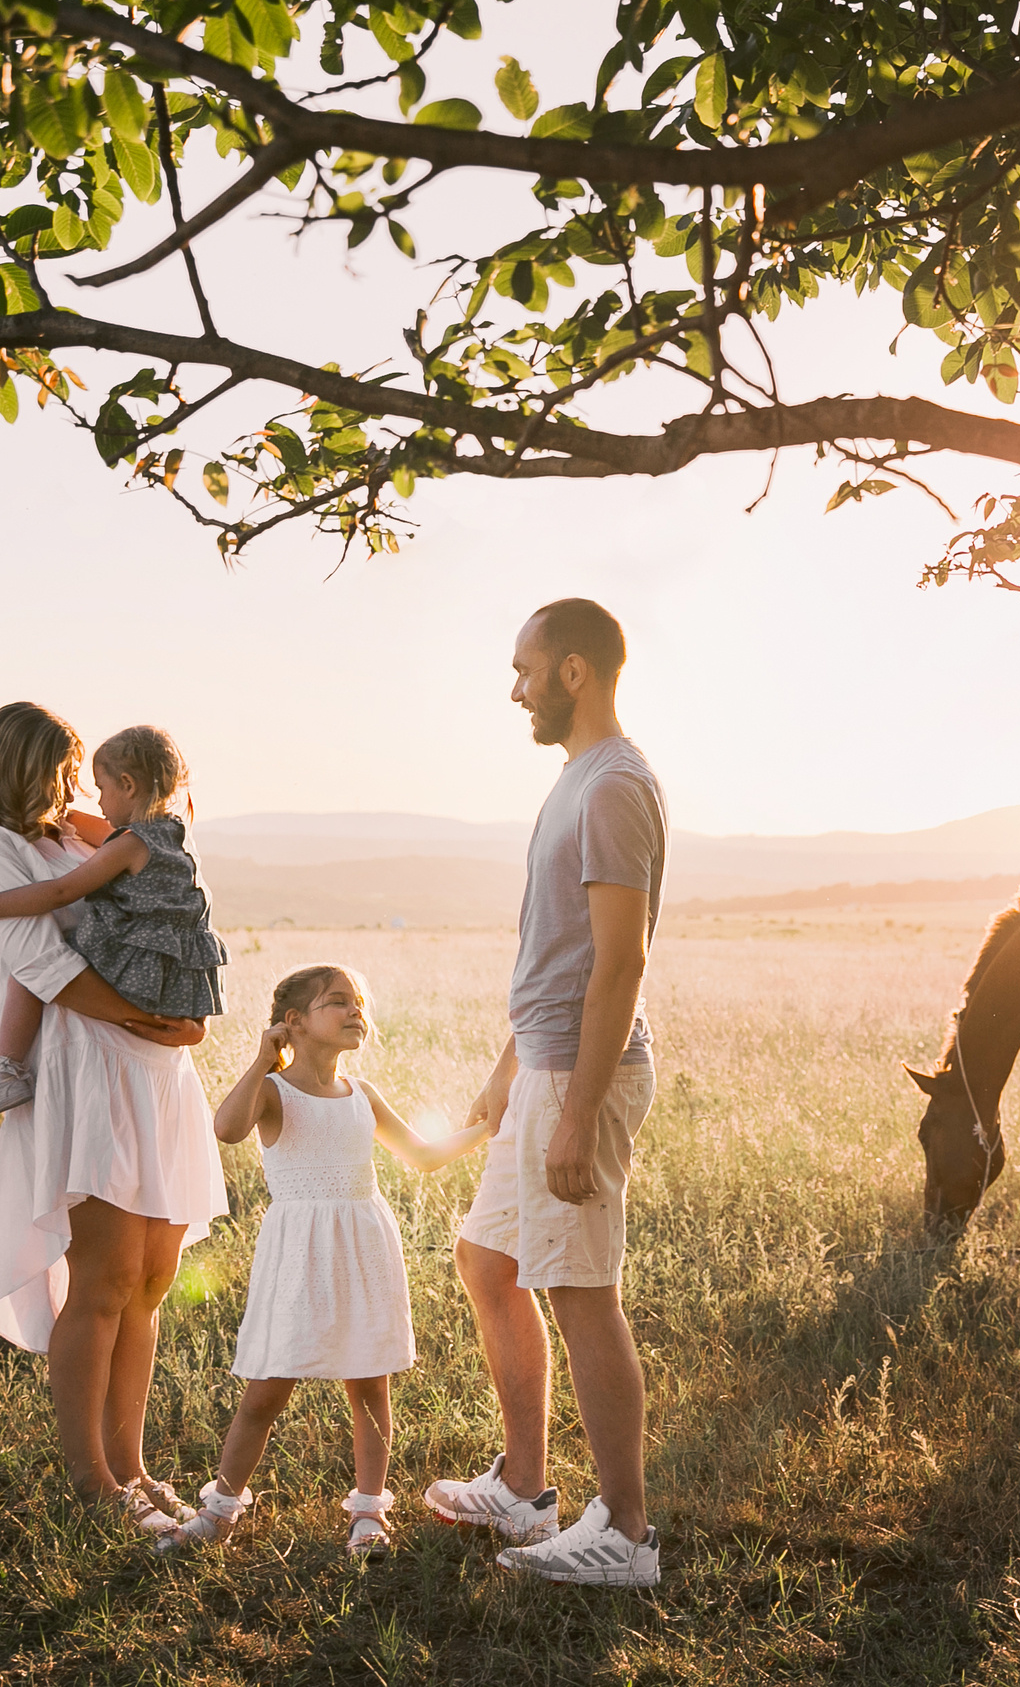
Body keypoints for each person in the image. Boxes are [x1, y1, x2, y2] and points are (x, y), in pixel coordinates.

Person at [424, 598, 669, 1588]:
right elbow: (557, 957)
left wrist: (572, 1109)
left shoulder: (613, 786)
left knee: (579, 1293)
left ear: (573, 672)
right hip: (546, 1063)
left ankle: (626, 1534)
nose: (512, 687)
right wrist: (508, 1065)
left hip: (584, 1077)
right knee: (488, 1258)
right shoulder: (576, 779)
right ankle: (526, 1491)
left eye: (523, 668)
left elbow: (620, 964)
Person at [0, 701, 231, 1540]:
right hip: (88, 1075)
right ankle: (93, 1481)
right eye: (56, 767)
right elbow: (42, 965)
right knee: (103, 1282)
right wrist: (157, 1020)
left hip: (158, 1081)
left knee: (149, 1283)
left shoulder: (87, 832)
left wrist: (182, 1025)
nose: (70, 784)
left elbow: (166, 896)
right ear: (15, 765)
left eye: (77, 768)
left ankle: (135, 1466)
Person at [162, 964, 492, 1558]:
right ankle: (219, 1511)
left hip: (363, 1242)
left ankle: (369, 1514)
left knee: (369, 1381)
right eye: (337, 1002)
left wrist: (486, 1127)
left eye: (359, 1002)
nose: (354, 1012)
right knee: (266, 1387)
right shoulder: (272, 1091)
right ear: (294, 1022)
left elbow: (421, 1155)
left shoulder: (362, 1095)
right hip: (299, 1249)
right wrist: (263, 1060)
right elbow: (227, 1128)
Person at [0, 724, 227, 1125]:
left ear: (128, 785)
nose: (87, 797)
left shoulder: (128, 842)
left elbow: (62, 892)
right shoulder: (175, 836)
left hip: (125, 979)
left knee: (33, 970)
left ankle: (5, 1069)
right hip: (163, 980)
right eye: (64, 776)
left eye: (98, 788)